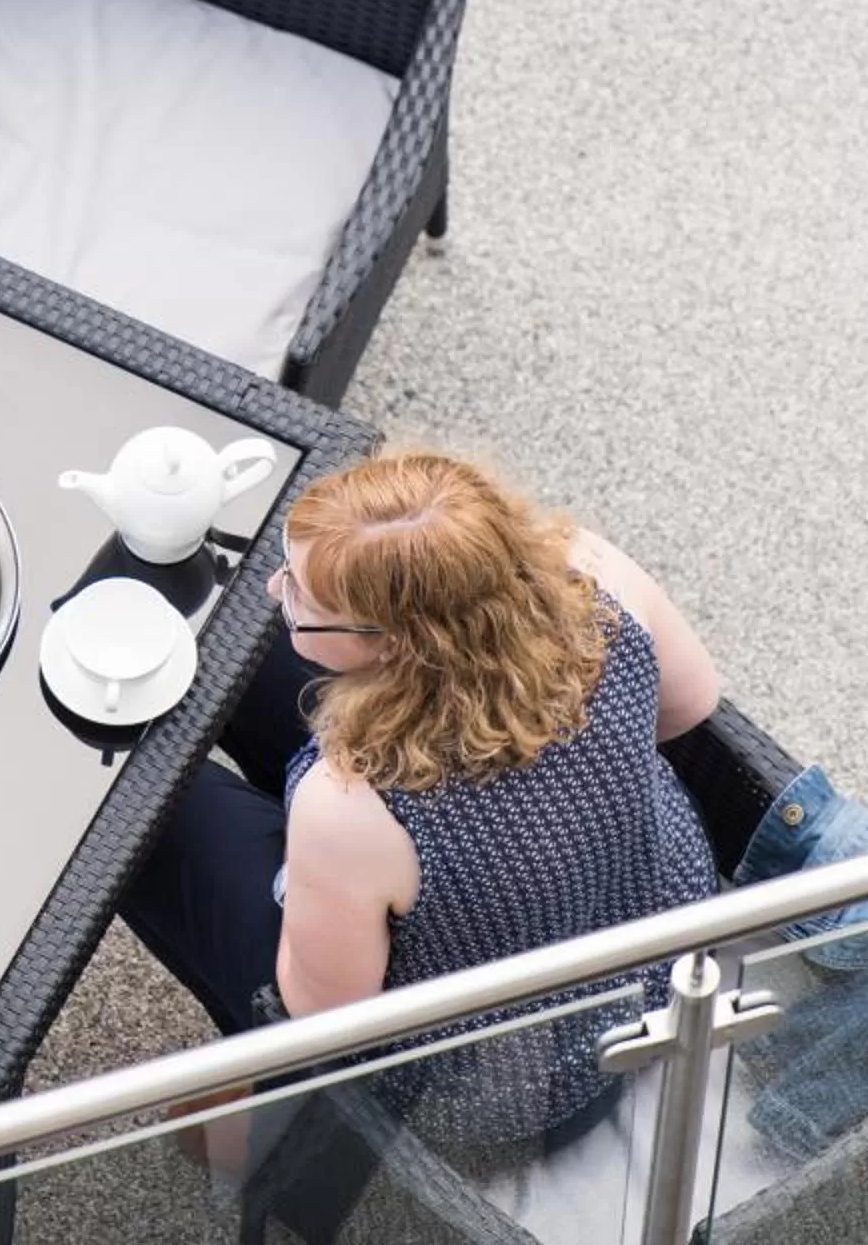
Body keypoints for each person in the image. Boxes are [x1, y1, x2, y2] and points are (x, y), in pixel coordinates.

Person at [120, 447, 721, 1146]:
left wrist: (309, 880)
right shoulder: (593, 572)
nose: (273, 589)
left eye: (303, 599)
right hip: (665, 954)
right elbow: (691, 703)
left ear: (402, 646)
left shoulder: (352, 805)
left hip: (511, 1086)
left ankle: (263, 1136)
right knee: (245, 659)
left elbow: (326, 1013)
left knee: (153, 811)